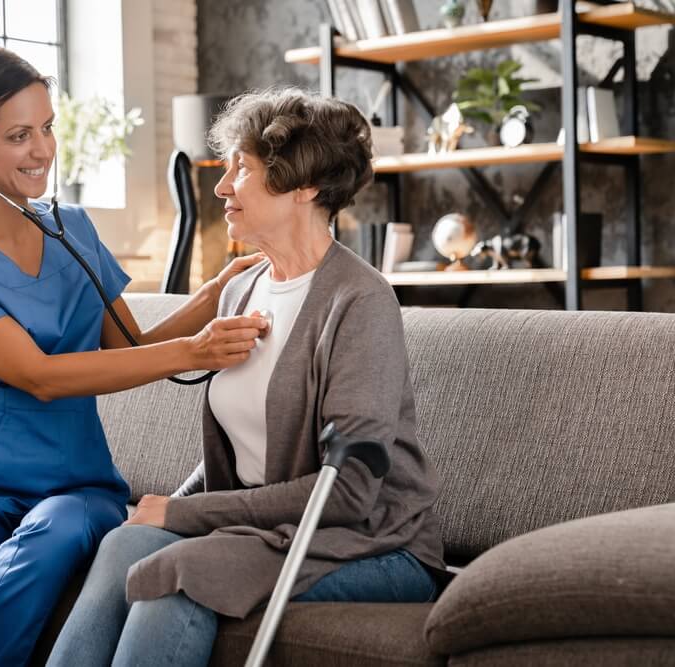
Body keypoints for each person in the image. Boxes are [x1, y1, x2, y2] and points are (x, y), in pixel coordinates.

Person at [0, 46, 267, 667]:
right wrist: (195, 349)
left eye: (46, 129)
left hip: (77, 485)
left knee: (49, 546)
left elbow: (128, 349)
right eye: (18, 135)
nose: (42, 150)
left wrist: (212, 294)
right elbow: (38, 376)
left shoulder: (74, 229)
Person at [47, 88, 447, 667]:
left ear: (304, 186)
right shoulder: (242, 287)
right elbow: (237, 457)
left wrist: (184, 516)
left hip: (372, 541)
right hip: (269, 531)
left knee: (182, 573)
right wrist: (165, 506)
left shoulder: (359, 301)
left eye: (243, 169)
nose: (221, 186)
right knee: (122, 545)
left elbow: (349, 492)